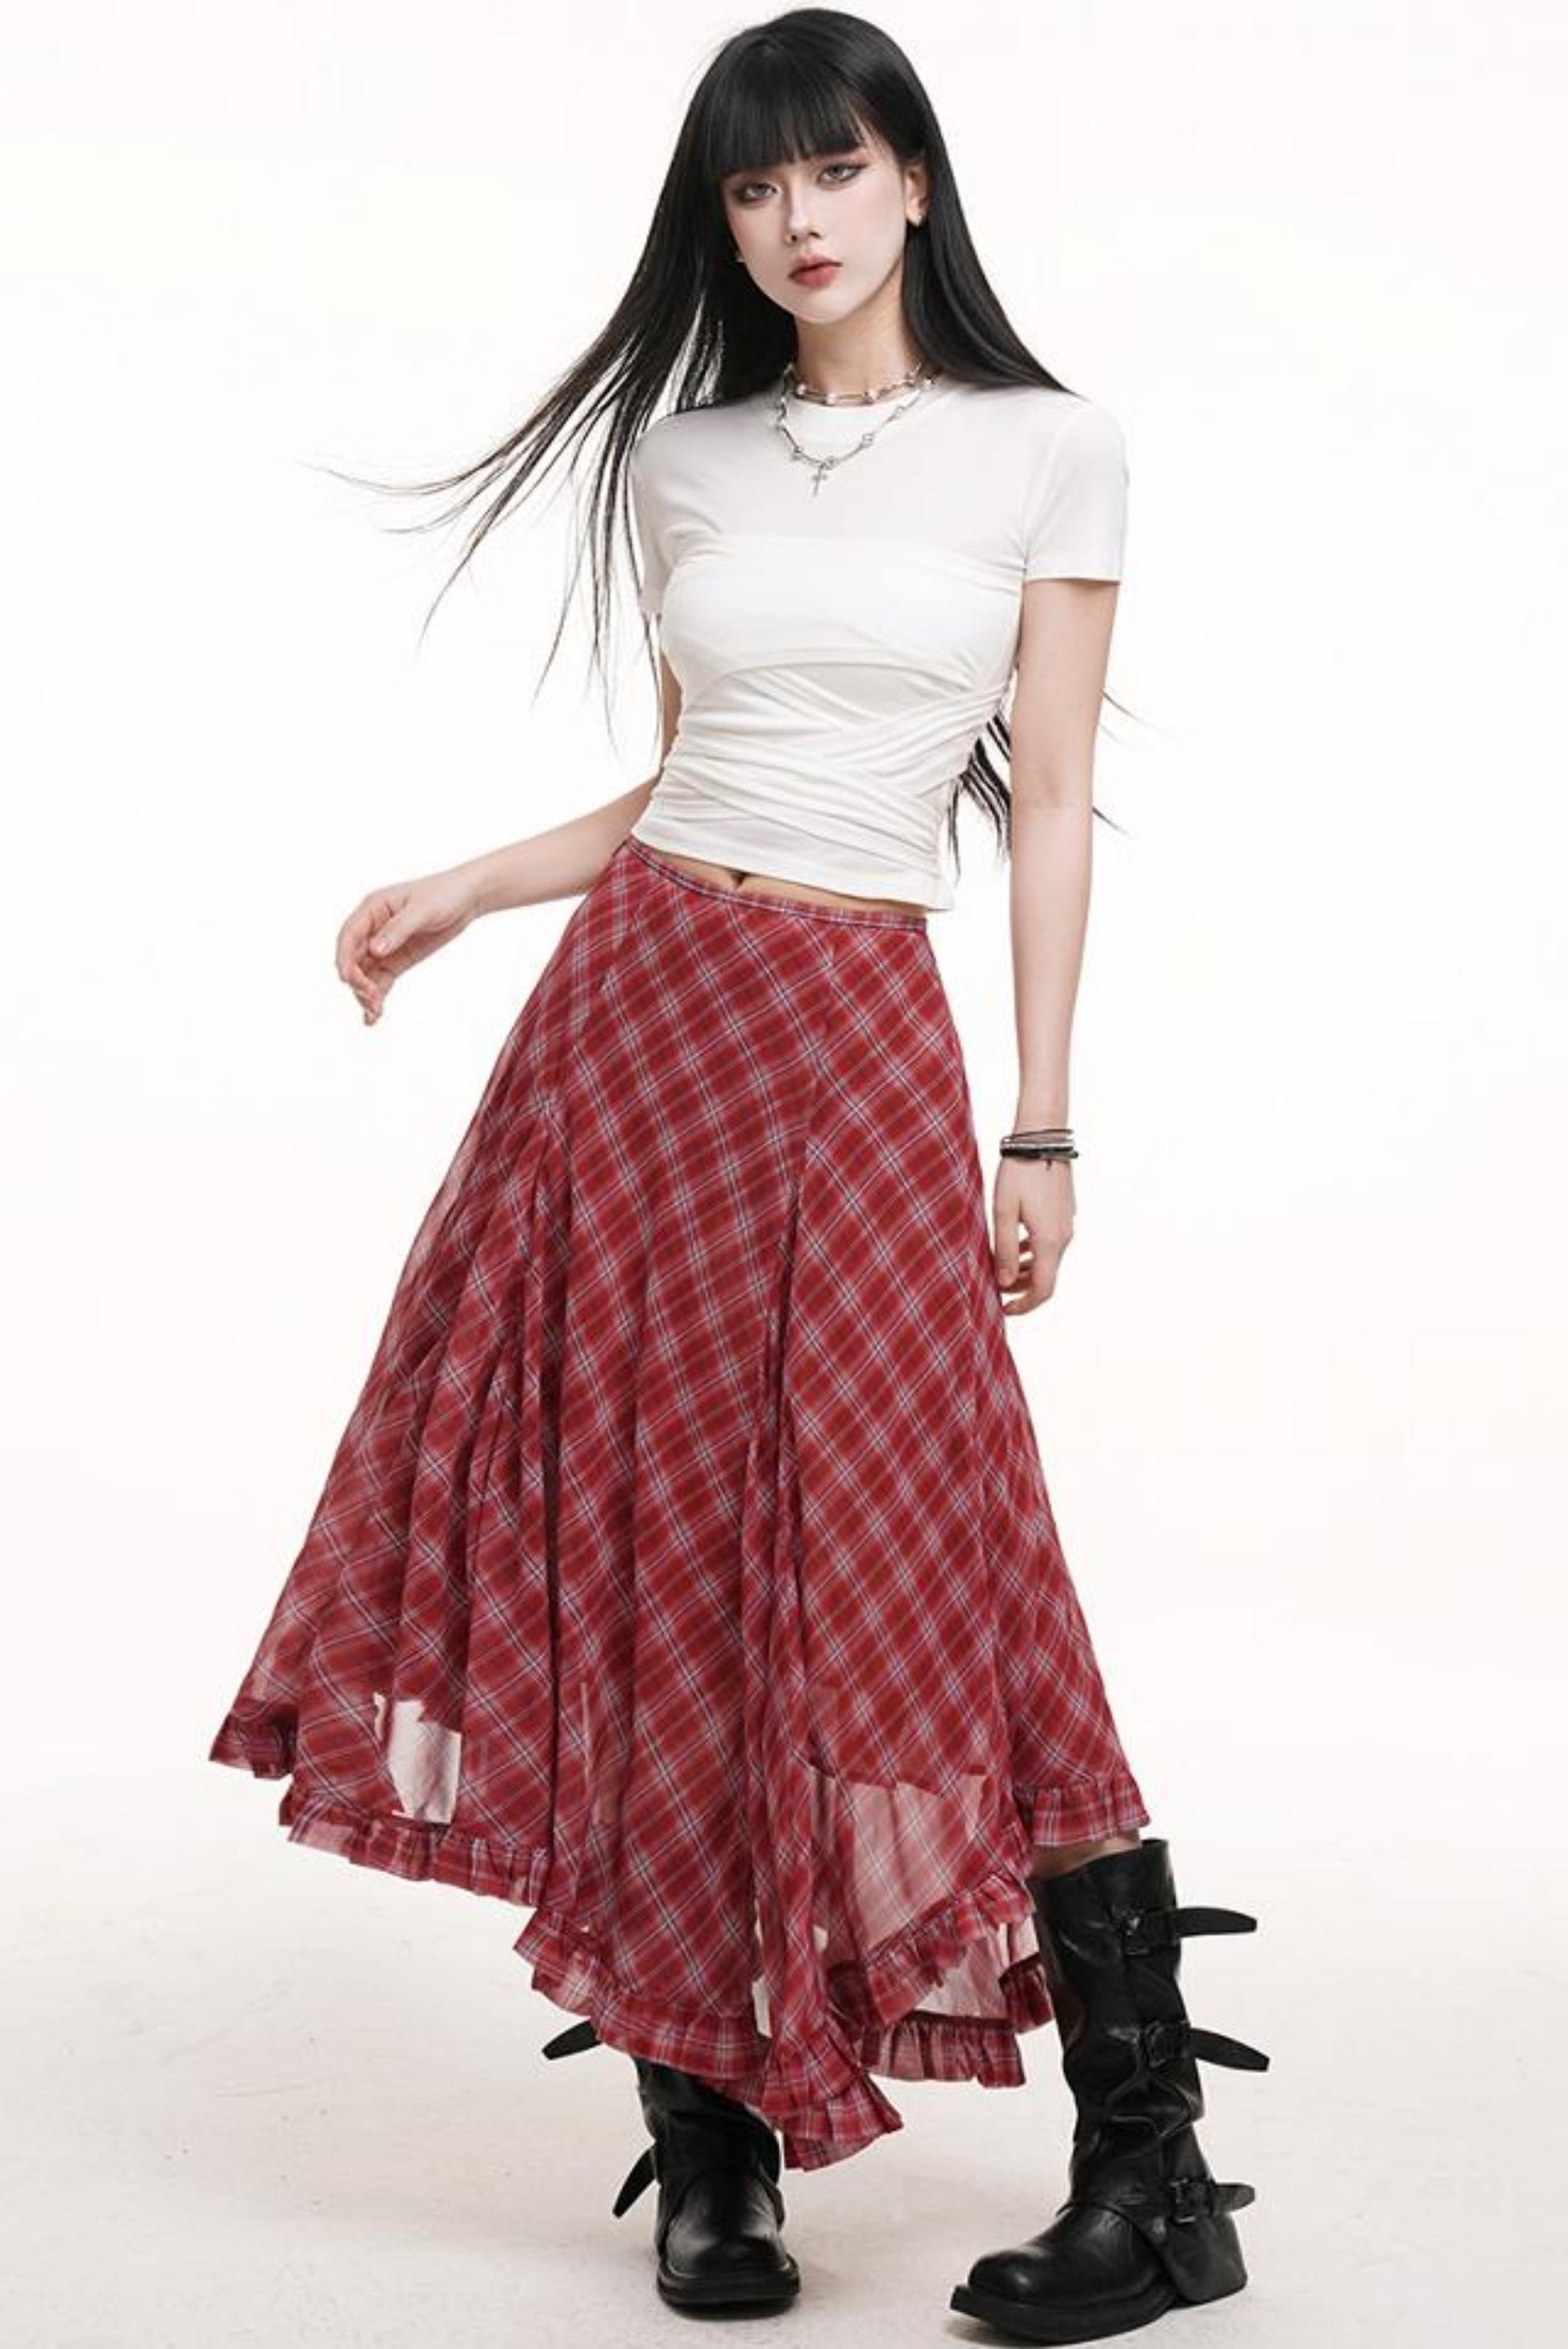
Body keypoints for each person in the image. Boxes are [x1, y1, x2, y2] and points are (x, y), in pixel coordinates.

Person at [207, 8, 1269, 2339]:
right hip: (640, 1021)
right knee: (663, 1539)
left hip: (859, 1036)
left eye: (835, 169)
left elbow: (1050, 801)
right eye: (752, 185)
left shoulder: (1048, 448)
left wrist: (1043, 1119)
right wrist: (470, 883)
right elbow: (688, 772)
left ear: (916, 180)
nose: (796, 218)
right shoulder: (682, 461)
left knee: (951, 1550)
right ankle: (712, 2149)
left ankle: (1153, 2172)